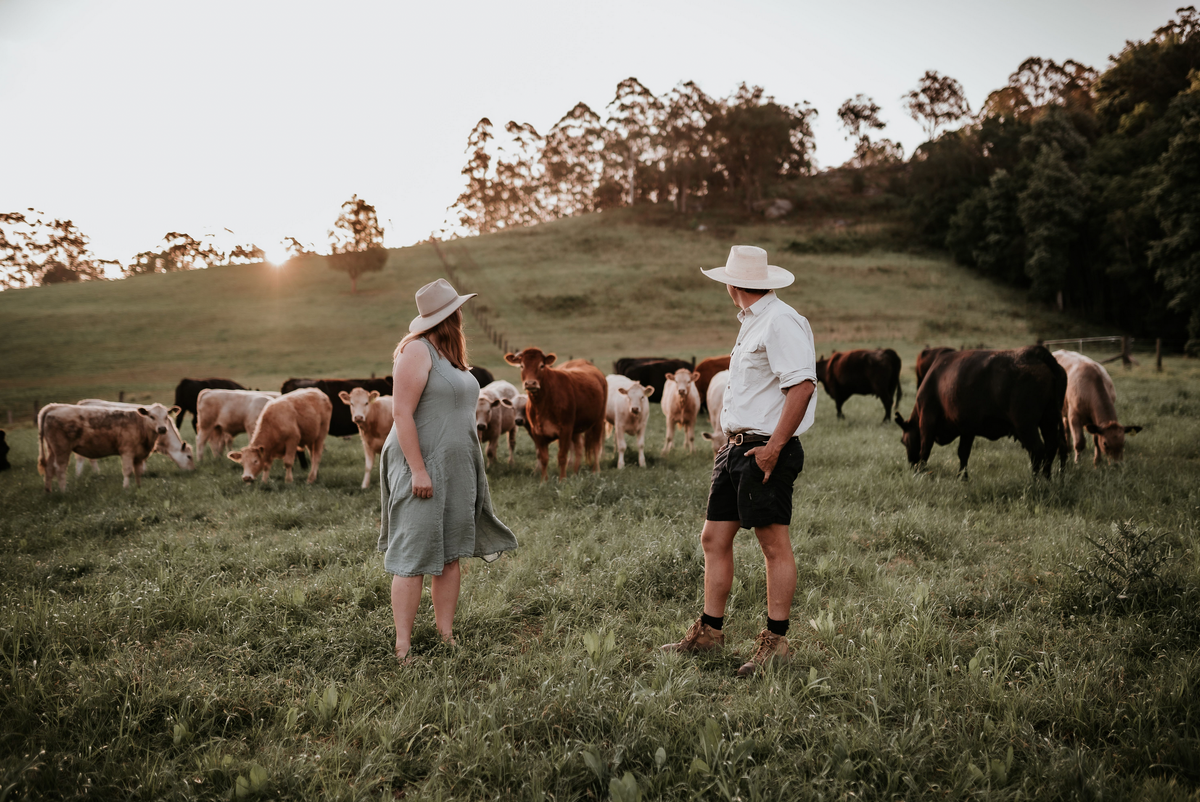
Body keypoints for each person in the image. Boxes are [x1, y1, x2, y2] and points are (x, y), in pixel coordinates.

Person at [662, 245, 817, 677]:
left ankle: (776, 642)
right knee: (713, 538)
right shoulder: (753, 322)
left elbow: (801, 387)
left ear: (732, 284)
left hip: (766, 448)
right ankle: (710, 632)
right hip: (733, 448)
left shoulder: (781, 320)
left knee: (772, 544)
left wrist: (774, 448)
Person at [379, 278, 518, 664]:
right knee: (414, 552)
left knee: (451, 553)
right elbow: (401, 413)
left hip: (456, 466)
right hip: (421, 463)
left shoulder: (449, 356)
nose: (461, 315)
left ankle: (446, 635)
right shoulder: (416, 351)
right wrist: (418, 471)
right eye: (457, 309)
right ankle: (402, 646)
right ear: (450, 315)